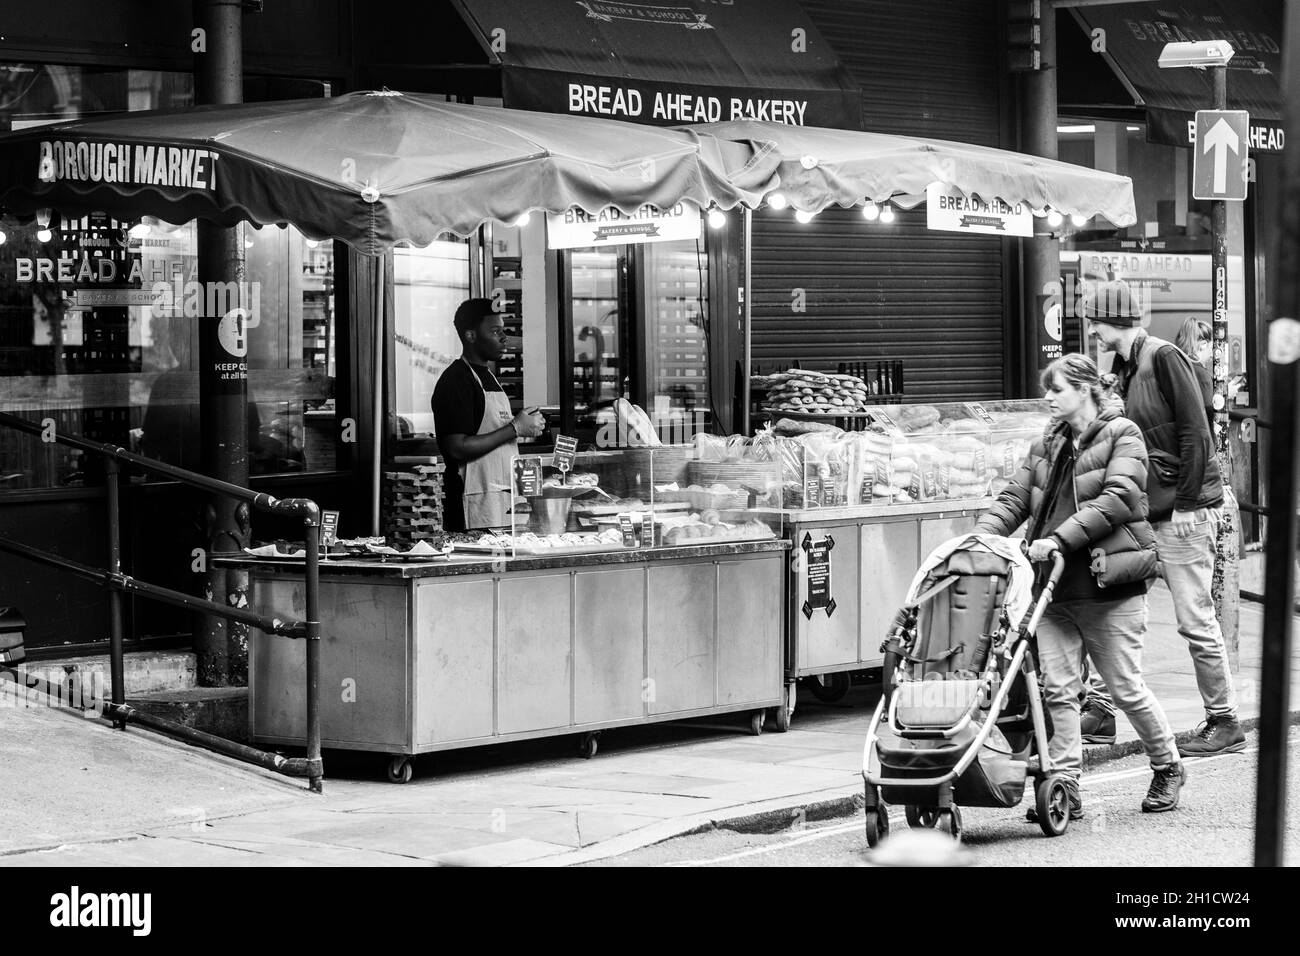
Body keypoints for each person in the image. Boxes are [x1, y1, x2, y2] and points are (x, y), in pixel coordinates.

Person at [977, 353, 1185, 814]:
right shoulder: (1047, 442)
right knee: (1058, 690)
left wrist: (1058, 540)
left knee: (1125, 687)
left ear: (1086, 389)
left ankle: (1167, 765)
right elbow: (1014, 497)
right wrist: (980, 537)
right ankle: (1065, 784)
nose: (1048, 397)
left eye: (1057, 390)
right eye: (1047, 389)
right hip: (1051, 587)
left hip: (1106, 584)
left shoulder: (1123, 434)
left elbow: (1119, 498)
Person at [1084, 280, 1245, 757]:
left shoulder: (1164, 357)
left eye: (1094, 320)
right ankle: (1101, 710)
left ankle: (1224, 721)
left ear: (1113, 320)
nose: (1091, 329)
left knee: (1195, 620)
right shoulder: (1124, 368)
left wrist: (1188, 504)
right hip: (1146, 510)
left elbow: (1198, 433)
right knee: (1111, 605)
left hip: (1183, 511)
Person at [431, 298, 545, 532]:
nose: (504, 337)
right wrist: (514, 428)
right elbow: (456, 447)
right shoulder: (456, 381)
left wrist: (527, 427)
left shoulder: (489, 377)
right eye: (495, 331)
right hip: (473, 504)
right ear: (470, 336)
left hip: (504, 500)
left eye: (504, 330)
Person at [1174, 317, 1214, 429]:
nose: (1212, 355)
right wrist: (1225, 396)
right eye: (1212, 348)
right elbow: (1208, 413)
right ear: (1203, 344)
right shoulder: (1201, 373)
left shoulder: (1179, 366)